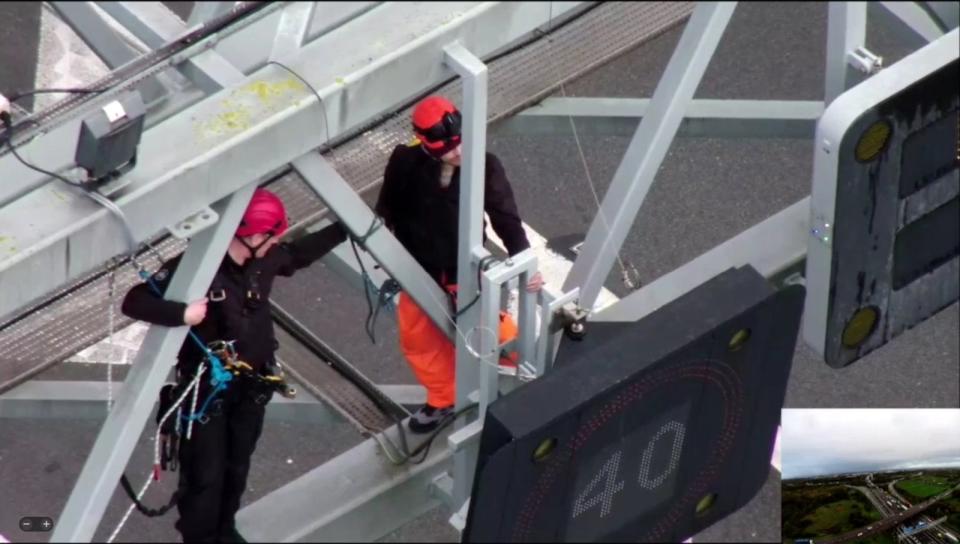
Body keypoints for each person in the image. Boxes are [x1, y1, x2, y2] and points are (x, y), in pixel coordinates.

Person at [121, 188, 346, 543]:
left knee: (236, 466)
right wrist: (181, 313)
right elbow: (134, 300)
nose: (277, 241)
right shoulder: (195, 268)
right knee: (205, 474)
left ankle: (225, 530)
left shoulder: (263, 260)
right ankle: (201, 538)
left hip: (251, 385)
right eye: (272, 235)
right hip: (206, 391)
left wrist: (343, 229)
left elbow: (297, 254)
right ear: (252, 236)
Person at [375, 95, 544, 434]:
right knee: (419, 340)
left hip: (462, 270)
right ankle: (445, 396)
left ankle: (534, 377)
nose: (458, 153)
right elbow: (387, 207)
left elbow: (504, 216)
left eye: (461, 143)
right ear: (425, 143)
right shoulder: (405, 161)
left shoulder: (484, 165)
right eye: (449, 149)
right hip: (419, 268)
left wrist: (524, 260)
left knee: (495, 334)